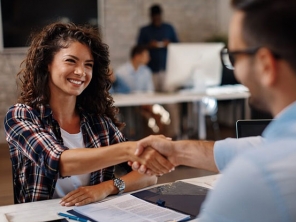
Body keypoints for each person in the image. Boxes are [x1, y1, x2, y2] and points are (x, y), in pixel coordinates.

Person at [131, 0, 296, 222]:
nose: (234, 69)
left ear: (265, 65)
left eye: (234, 57)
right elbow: (257, 146)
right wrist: (176, 151)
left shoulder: (258, 177)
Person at [3, 22, 174, 205]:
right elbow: (60, 163)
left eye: (88, 65)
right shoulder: (21, 116)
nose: (81, 72)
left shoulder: (98, 123)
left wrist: (106, 188)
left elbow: (148, 176)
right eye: (71, 61)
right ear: (47, 64)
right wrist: (129, 150)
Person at [137, 4, 179, 92]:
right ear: (151, 16)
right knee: (152, 97)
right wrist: (149, 45)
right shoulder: (145, 30)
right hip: (151, 70)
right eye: (154, 16)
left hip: (167, 69)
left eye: (158, 16)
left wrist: (169, 44)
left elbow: (178, 46)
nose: (156, 18)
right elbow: (138, 48)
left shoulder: (168, 28)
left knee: (170, 100)